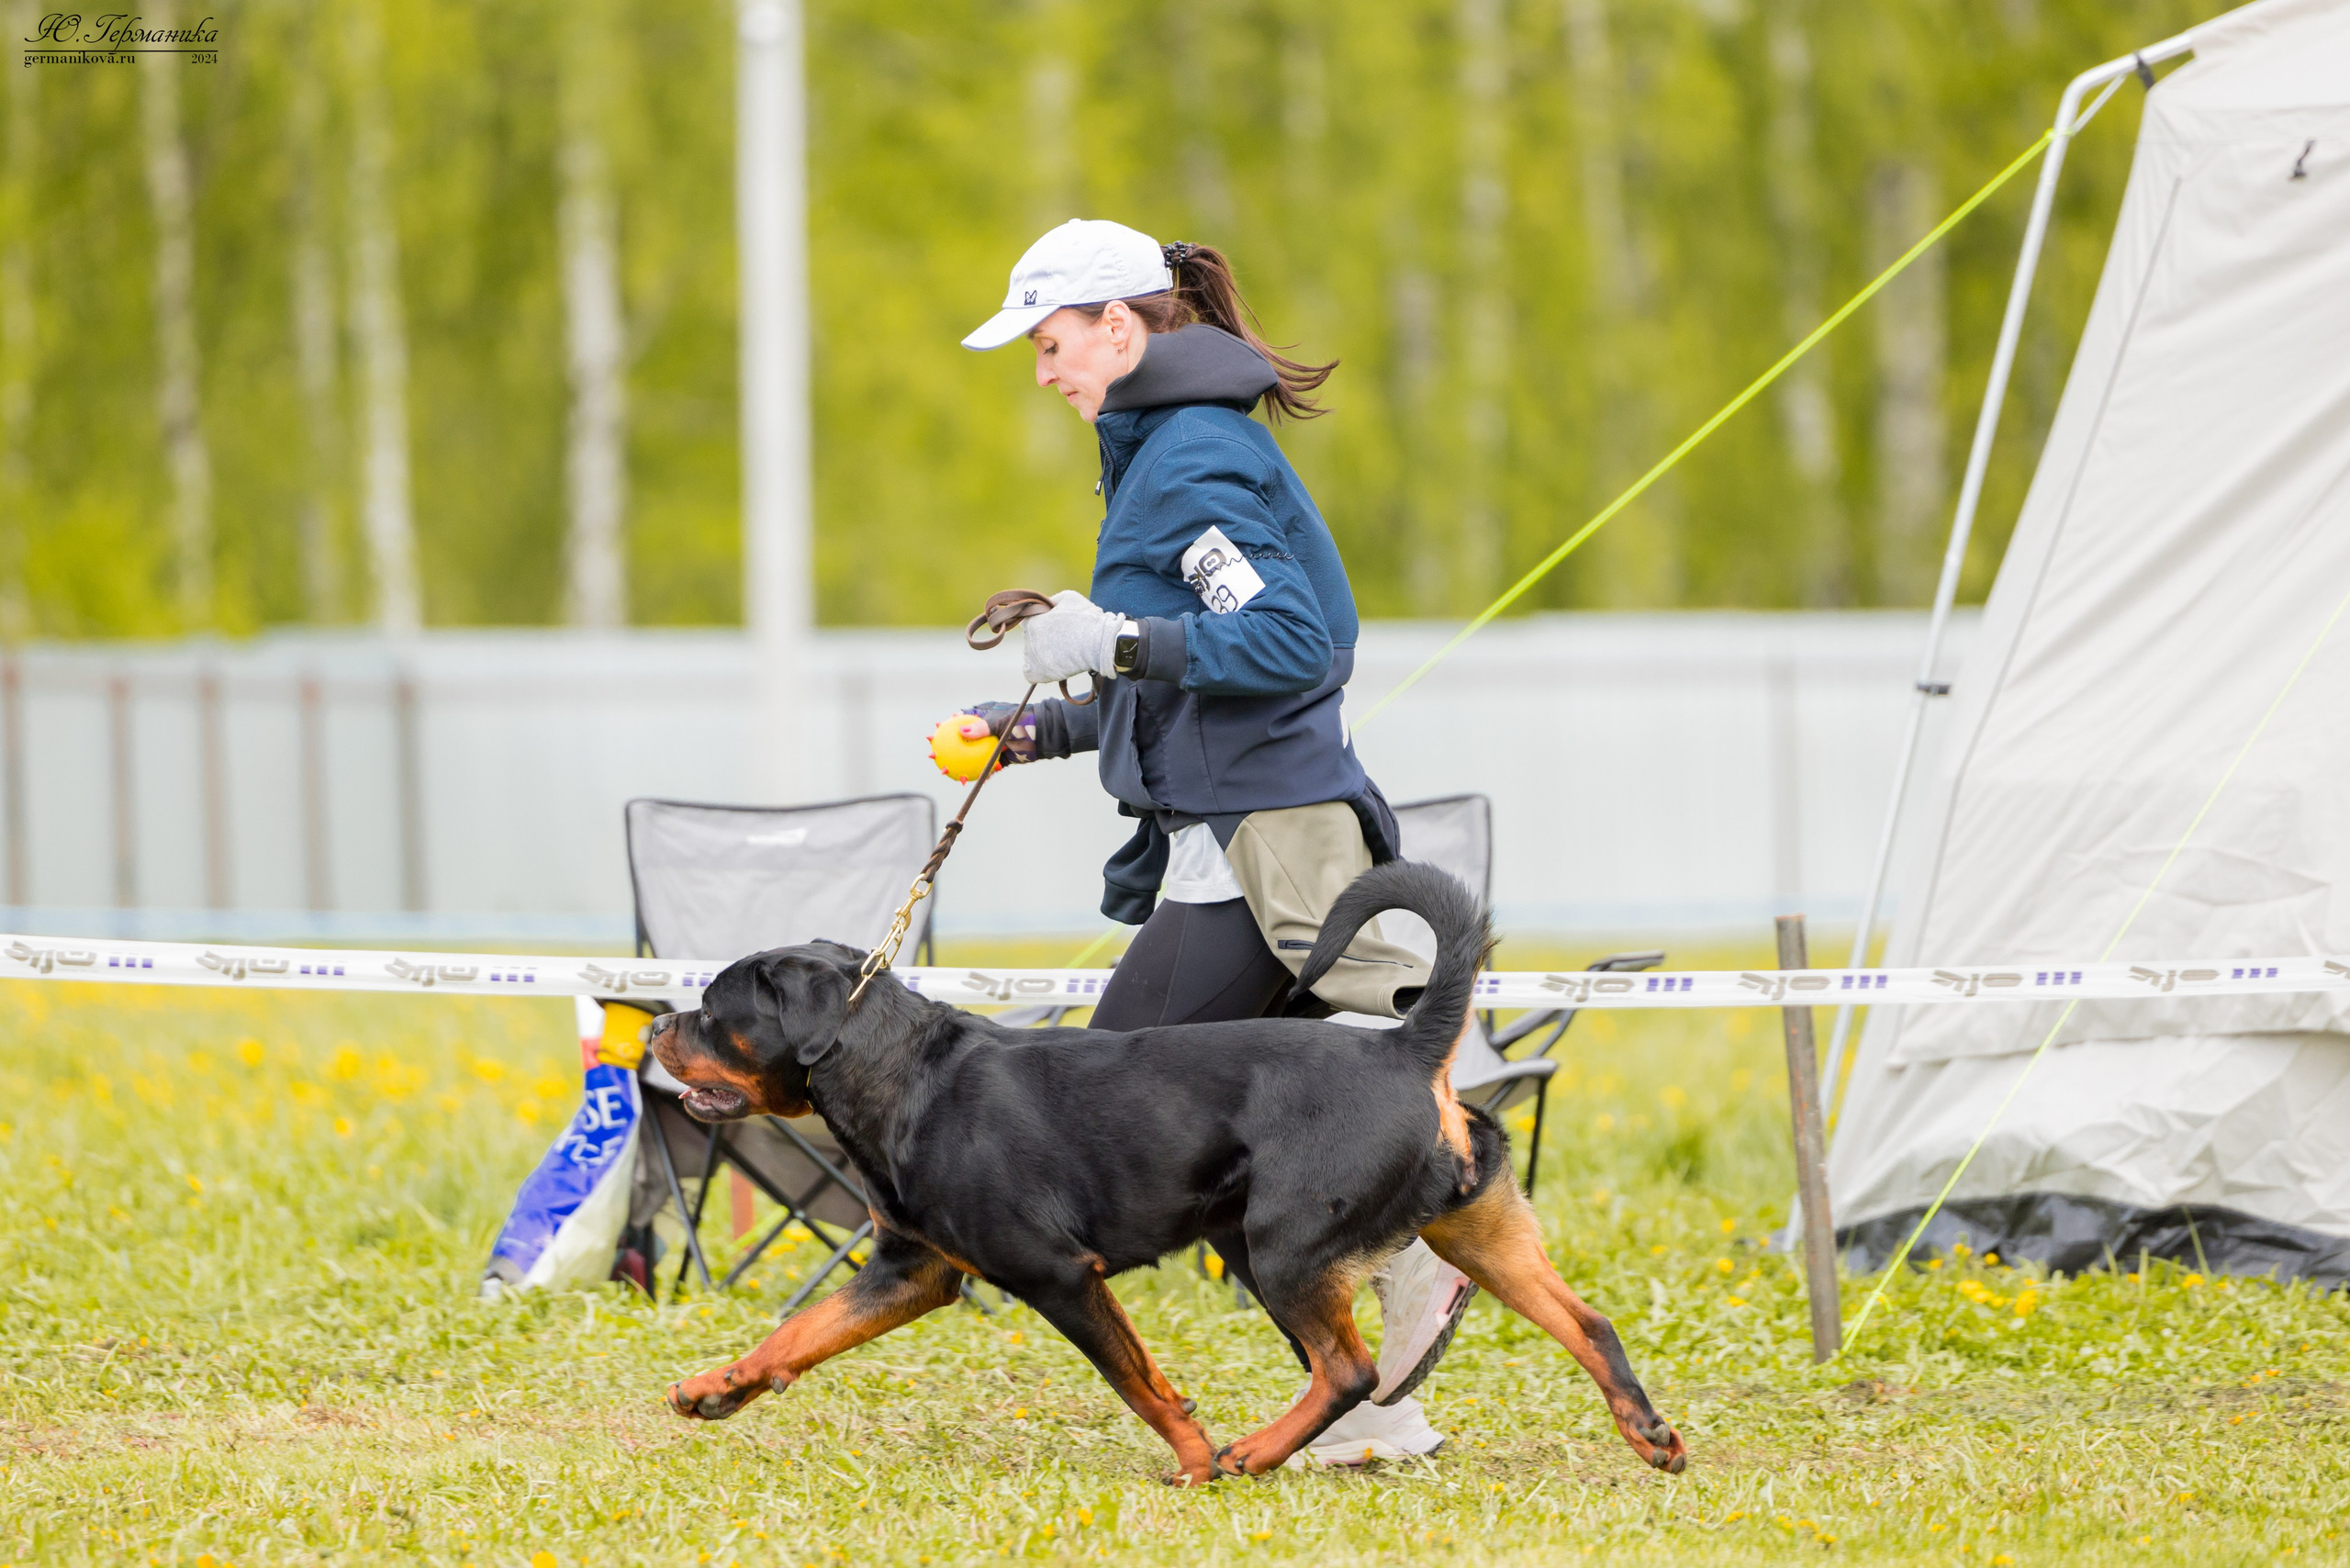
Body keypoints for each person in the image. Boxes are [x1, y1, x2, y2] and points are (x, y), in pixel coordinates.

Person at [948, 218, 1473, 1465]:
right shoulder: (1162, 453)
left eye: (1053, 341)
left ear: (1122, 329)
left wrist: (1115, 643)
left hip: (1257, 854)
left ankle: (1410, 1258)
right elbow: (1189, 680)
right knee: (1239, 1137)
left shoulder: (1186, 459)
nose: (1043, 369)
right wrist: (1044, 731)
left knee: (1112, 1100)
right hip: (1231, 834)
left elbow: (1295, 645)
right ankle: (1381, 1394)